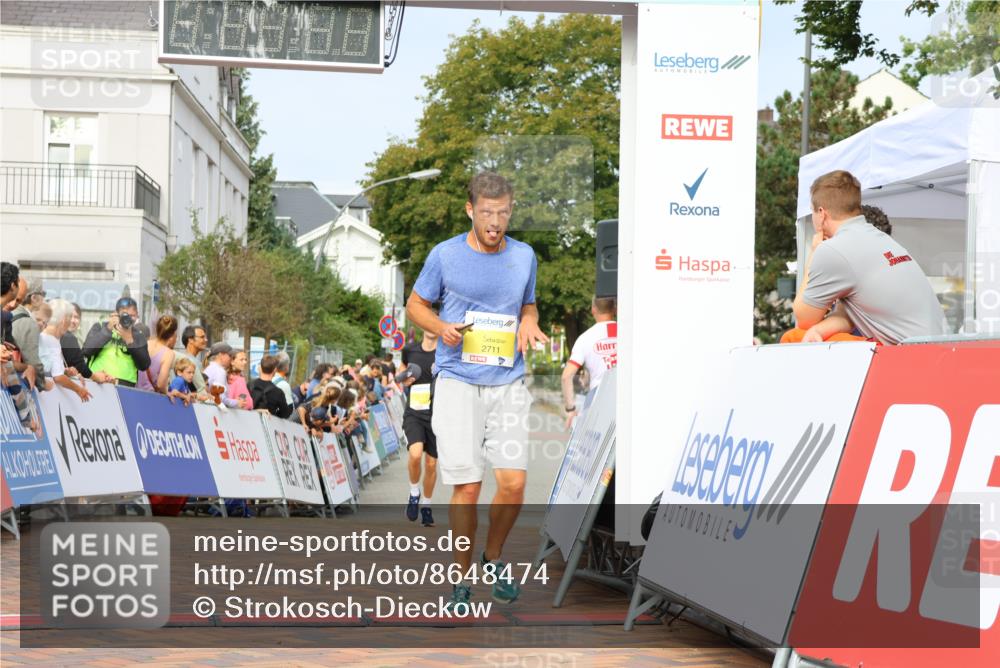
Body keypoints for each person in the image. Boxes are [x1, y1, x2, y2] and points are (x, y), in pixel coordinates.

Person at [406, 171, 548, 610]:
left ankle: (493, 557)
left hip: (507, 380)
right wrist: (441, 326)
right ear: (471, 210)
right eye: (487, 213)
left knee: (514, 484)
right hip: (458, 381)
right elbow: (416, 305)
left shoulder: (525, 256)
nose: (495, 222)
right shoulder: (445, 256)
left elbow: (528, 302)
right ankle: (461, 579)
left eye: (503, 213)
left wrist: (528, 319)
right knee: (467, 487)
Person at [783, 170, 945, 345]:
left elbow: (804, 320)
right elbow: (848, 314)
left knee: (793, 338)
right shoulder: (879, 238)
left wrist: (814, 253)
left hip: (909, 357)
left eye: (812, 212)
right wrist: (819, 330)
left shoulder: (832, 250)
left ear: (822, 214)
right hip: (938, 350)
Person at [400, 327, 440, 528]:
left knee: (432, 465)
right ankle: (414, 493)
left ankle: (426, 505)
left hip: (437, 414)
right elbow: (401, 374)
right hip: (414, 412)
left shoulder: (444, 352)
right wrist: (404, 379)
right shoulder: (410, 350)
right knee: (415, 455)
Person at [561, 296, 618, 430]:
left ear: (593, 310)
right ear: (614, 309)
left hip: (599, 403)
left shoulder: (585, 338)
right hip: (628, 401)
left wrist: (570, 409)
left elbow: (566, 376)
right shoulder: (630, 332)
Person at [82, 297, 151, 387]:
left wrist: (130, 341)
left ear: (137, 315)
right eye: (125, 315)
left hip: (125, 384)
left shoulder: (138, 335)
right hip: (97, 381)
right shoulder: (100, 326)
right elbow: (86, 351)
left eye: (132, 316)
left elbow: (144, 365)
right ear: (116, 313)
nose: (128, 319)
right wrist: (108, 330)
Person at [39, 299, 91, 403]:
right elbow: (58, 377)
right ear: (63, 320)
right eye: (69, 318)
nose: (70, 323)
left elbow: (49, 367)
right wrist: (79, 389)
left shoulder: (43, 335)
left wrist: (65, 370)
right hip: (43, 398)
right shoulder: (52, 340)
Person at [8, 277, 43, 390]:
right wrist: (42, 384)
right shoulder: (28, 322)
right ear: (34, 297)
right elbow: (32, 360)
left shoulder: (9, 312)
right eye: (43, 294)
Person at [136, 315, 178, 394]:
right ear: (172, 335)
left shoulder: (145, 343)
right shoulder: (168, 354)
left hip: (135, 391)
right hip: (152, 396)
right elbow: (160, 384)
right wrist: (167, 392)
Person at [203, 342, 246, 409]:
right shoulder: (220, 371)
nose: (231, 359)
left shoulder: (208, 368)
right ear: (221, 355)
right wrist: (236, 402)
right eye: (229, 355)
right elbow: (220, 398)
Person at [249, 354, 293, 418]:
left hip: (249, 422)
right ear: (275, 370)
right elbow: (285, 413)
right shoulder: (278, 392)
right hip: (269, 424)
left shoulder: (249, 385)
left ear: (260, 368)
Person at [174, 325, 208, 394]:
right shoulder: (192, 362)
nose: (206, 340)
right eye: (202, 337)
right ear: (190, 340)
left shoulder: (184, 359)